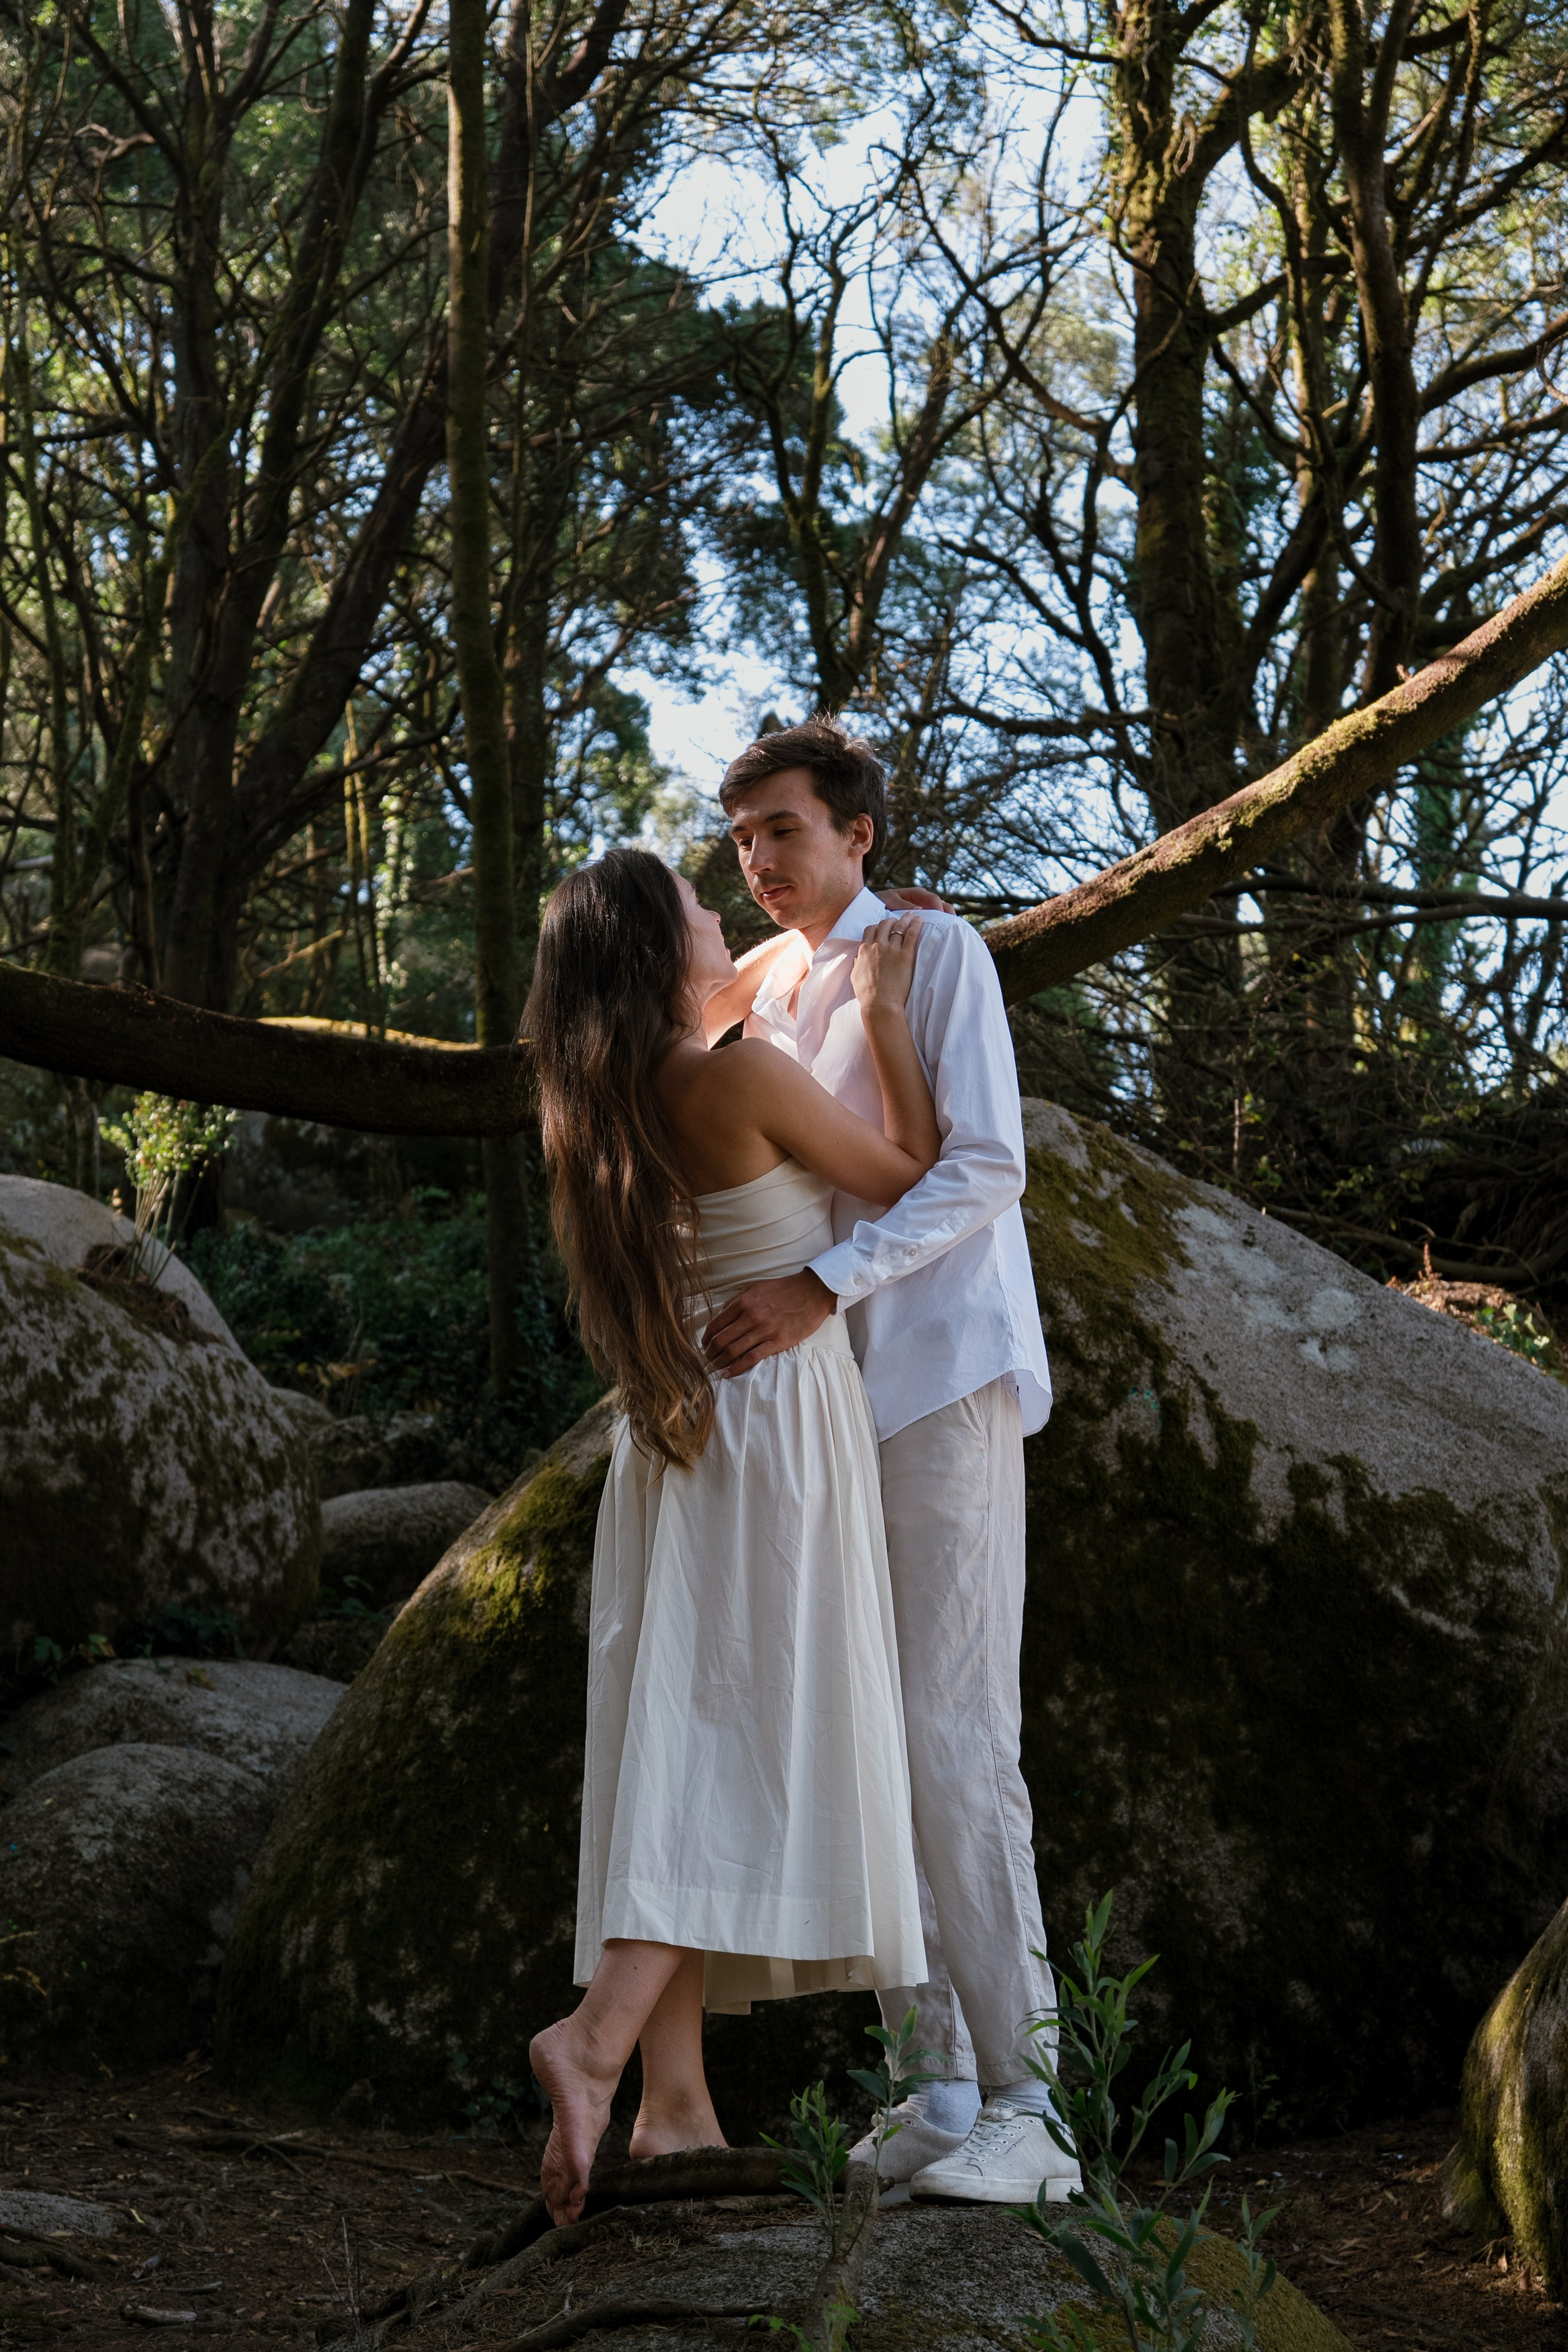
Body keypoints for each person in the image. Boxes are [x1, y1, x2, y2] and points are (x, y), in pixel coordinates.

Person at [524, 846, 944, 2227]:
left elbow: (737, 976)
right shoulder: (740, 1077)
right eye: (703, 907)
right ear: (660, 952)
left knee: (674, 1746)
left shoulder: (605, 1098)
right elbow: (905, 1173)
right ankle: (591, 2045)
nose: (729, 911)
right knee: (731, 1750)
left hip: (671, 1440)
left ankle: (677, 2109)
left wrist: (810, 943)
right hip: (769, 1433)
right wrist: (880, 1007)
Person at [702, 715, 1080, 2206]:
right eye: (740, 841)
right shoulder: (762, 986)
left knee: (950, 1739)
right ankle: (934, 2087)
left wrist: (823, 1288)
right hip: (815, 1413)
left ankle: (1032, 2106)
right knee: (864, 1747)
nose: (758, 861)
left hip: (938, 1377)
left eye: (782, 830)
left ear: (856, 833)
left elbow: (988, 1162)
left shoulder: (937, 956)